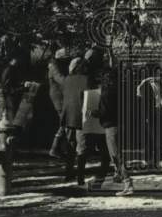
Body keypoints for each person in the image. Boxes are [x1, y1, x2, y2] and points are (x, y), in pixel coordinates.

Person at [61, 56, 107, 185]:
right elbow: (93, 98)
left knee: (71, 146)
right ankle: (80, 178)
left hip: (68, 117)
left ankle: (68, 173)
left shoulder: (67, 79)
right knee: (81, 148)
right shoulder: (88, 79)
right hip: (81, 117)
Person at [91, 68, 135, 196]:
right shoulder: (122, 89)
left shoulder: (106, 93)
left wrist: (93, 112)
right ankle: (119, 176)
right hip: (122, 124)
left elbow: (104, 112)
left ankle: (128, 182)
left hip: (111, 126)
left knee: (116, 155)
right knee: (119, 154)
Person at [47, 48, 70, 158]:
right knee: (65, 120)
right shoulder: (54, 67)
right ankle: (55, 148)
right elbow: (61, 80)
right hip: (59, 97)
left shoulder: (56, 65)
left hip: (61, 95)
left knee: (65, 120)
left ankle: (59, 148)